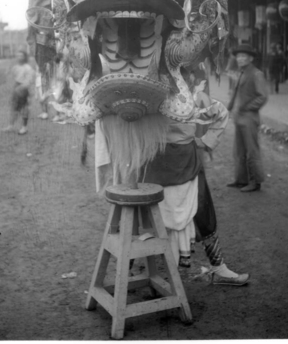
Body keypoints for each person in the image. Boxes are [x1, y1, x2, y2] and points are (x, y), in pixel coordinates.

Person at [95, 86, 250, 286]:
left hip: (185, 164)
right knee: (141, 218)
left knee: (203, 212)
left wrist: (205, 140)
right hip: (150, 165)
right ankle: (125, 273)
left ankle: (218, 268)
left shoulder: (192, 96)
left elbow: (220, 113)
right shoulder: (145, 96)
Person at [227, 44, 268, 192]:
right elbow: (234, 93)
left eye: (243, 56)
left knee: (252, 151)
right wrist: (229, 108)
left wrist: (248, 107)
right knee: (239, 150)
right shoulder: (240, 73)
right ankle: (241, 179)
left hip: (250, 118)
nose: (240, 59)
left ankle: (255, 182)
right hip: (239, 117)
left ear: (250, 58)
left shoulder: (256, 74)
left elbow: (262, 97)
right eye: (238, 56)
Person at [3, 50, 35, 135]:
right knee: (14, 107)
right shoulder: (15, 67)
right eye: (18, 56)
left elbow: (28, 81)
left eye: (21, 56)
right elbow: (10, 76)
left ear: (25, 57)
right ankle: (10, 126)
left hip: (23, 89)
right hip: (16, 87)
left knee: (24, 108)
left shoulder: (28, 68)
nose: (19, 57)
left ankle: (24, 127)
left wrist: (20, 88)